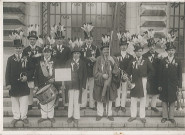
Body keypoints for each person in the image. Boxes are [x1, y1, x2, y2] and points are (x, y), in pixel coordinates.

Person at [127, 35, 154, 124]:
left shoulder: (146, 61)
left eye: (140, 51)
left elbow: (152, 71)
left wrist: (146, 77)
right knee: (133, 99)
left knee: (143, 99)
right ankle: (133, 115)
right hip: (134, 81)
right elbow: (128, 72)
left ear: (142, 52)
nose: (139, 53)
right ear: (135, 52)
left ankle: (142, 116)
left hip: (143, 80)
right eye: (137, 51)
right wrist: (127, 78)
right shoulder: (132, 61)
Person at [93, 35, 120, 121]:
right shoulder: (98, 60)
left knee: (110, 99)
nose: (106, 51)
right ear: (101, 51)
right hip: (100, 83)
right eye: (104, 50)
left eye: (108, 50)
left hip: (110, 82)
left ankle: (109, 113)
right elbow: (95, 72)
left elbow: (117, 72)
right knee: (100, 99)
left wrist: (114, 63)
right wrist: (102, 76)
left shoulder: (113, 59)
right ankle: (99, 114)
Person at [5, 37, 30, 126]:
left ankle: (23, 116)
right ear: (14, 48)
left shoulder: (26, 58)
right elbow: (7, 72)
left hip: (23, 84)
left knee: (24, 100)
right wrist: (8, 83)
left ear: (22, 48)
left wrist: (27, 77)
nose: (18, 50)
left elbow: (30, 70)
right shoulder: (10, 59)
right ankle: (16, 117)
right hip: (14, 84)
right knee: (14, 101)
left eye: (20, 48)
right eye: (16, 48)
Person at [158, 35, 182, 124]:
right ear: (167, 51)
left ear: (174, 51)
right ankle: (165, 116)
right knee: (164, 100)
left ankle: (171, 117)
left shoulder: (178, 61)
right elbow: (160, 74)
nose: (171, 52)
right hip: (164, 84)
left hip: (173, 84)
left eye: (172, 50)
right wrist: (160, 85)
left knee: (172, 100)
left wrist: (179, 86)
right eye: (169, 50)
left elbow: (180, 75)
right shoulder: (163, 61)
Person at [63, 39, 87, 124]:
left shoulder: (82, 63)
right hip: (70, 84)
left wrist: (84, 85)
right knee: (70, 100)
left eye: (78, 53)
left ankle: (76, 116)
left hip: (78, 85)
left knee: (77, 101)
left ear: (80, 54)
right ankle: (70, 116)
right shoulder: (68, 62)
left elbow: (85, 75)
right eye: (74, 53)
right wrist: (64, 84)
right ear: (72, 54)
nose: (76, 55)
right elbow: (65, 73)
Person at [51, 23, 71, 110]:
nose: (59, 40)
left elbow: (69, 60)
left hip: (64, 71)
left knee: (64, 88)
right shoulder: (52, 49)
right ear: (55, 40)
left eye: (61, 39)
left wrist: (67, 69)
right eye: (58, 39)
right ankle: (55, 104)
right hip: (55, 71)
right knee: (55, 88)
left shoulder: (67, 49)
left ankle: (65, 104)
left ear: (63, 40)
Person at [80, 23, 100, 110]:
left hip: (92, 71)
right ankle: (83, 104)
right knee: (84, 88)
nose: (89, 40)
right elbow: (80, 59)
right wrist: (88, 59)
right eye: (87, 39)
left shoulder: (95, 48)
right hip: (84, 71)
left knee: (92, 88)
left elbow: (99, 58)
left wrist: (95, 60)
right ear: (84, 40)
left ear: (92, 39)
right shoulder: (81, 48)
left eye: (90, 39)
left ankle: (92, 104)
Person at [34, 47, 56, 123]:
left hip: (51, 83)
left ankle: (50, 116)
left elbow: (57, 72)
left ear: (51, 53)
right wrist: (36, 85)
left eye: (48, 52)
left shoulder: (55, 61)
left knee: (51, 101)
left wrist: (54, 79)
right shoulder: (39, 62)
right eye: (45, 52)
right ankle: (43, 116)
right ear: (43, 53)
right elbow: (36, 74)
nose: (47, 53)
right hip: (41, 84)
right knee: (42, 101)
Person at [23, 24, 42, 110]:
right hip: (29, 71)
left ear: (36, 40)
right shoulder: (25, 50)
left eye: (34, 39)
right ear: (28, 40)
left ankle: (39, 102)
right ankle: (29, 104)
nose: (32, 41)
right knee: (30, 89)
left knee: (38, 87)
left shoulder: (40, 49)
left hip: (38, 72)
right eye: (30, 39)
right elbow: (24, 62)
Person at [115, 32, 133, 113]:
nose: (123, 47)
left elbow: (130, 67)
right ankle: (117, 105)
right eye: (122, 45)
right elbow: (114, 66)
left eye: (125, 45)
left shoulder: (130, 56)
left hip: (125, 76)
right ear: (120, 46)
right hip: (117, 75)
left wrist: (126, 75)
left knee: (125, 91)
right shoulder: (116, 55)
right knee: (118, 90)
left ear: (127, 46)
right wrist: (117, 73)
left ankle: (123, 106)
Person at [143, 36, 160, 112]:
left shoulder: (159, 55)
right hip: (148, 77)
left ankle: (153, 106)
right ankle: (146, 105)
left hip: (156, 77)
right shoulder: (144, 56)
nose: (152, 48)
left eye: (153, 46)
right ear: (148, 47)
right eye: (150, 46)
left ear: (155, 46)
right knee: (147, 91)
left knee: (155, 93)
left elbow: (160, 67)